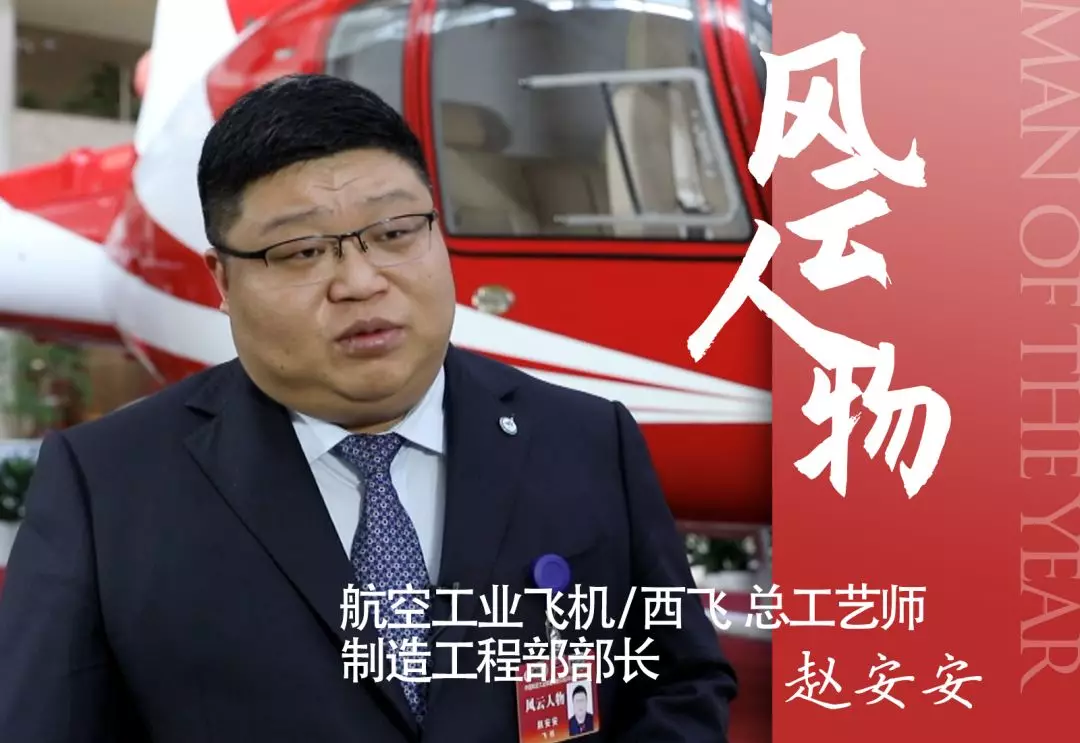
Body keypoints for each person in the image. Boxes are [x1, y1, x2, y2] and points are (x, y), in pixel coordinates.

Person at [0, 74, 737, 742]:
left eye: (394, 234)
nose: (360, 281)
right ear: (222, 279)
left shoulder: (588, 439)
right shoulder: (108, 485)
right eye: (301, 251)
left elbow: (680, 683)